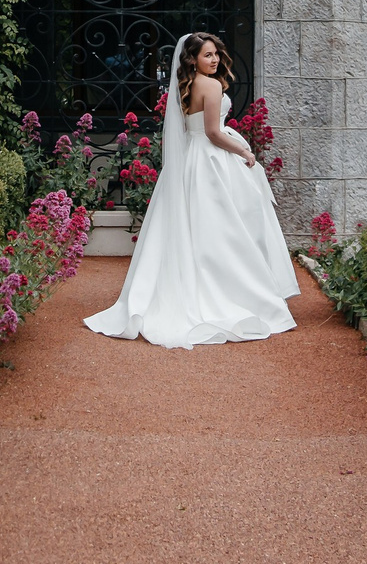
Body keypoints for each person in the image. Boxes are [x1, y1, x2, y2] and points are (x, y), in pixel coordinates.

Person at [83, 31, 300, 349]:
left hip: (188, 163)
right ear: (193, 59)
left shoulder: (184, 86)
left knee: (196, 227)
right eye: (207, 55)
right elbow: (212, 132)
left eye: (216, 54)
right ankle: (236, 293)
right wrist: (244, 152)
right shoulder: (211, 85)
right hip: (213, 161)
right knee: (228, 228)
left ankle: (196, 286)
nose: (214, 60)